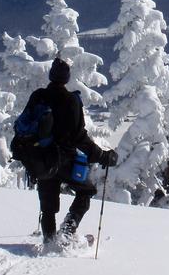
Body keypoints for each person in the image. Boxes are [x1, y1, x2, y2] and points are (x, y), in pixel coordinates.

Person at [26, 57, 117, 243]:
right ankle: (67, 232)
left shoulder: (38, 96)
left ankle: (50, 242)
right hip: (65, 159)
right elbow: (79, 138)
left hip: (41, 159)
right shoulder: (71, 100)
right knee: (86, 190)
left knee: (48, 206)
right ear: (67, 78)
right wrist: (102, 156)